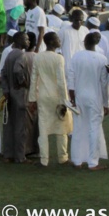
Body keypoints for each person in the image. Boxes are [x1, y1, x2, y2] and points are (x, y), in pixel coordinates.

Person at [28, 31, 73, 166]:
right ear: (52, 42)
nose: (60, 41)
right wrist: (64, 100)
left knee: (43, 128)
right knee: (62, 128)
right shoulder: (59, 58)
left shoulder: (38, 57)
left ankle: (44, 159)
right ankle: (63, 157)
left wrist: (32, 99)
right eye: (57, 39)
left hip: (42, 96)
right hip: (57, 96)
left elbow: (34, 79)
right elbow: (61, 81)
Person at [68, 31, 109, 170]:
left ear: (85, 42)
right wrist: (106, 103)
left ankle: (77, 160)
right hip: (95, 97)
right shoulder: (102, 59)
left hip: (79, 96)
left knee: (78, 127)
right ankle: (93, 162)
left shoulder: (76, 57)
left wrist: (72, 97)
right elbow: (104, 84)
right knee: (94, 128)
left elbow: (71, 78)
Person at [0, 32, 33, 163]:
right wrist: (23, 82)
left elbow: (3, 73)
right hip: (20, 94)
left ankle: (8, 154)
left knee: (9, 125)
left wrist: (6, 91)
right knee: (21, 126)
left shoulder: (9, 54)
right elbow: (17, 70)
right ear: (19, 40)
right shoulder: (21, 55)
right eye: (26, 39)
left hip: (10, 94)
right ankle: (20, 156)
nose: (28, 42)